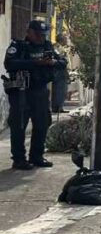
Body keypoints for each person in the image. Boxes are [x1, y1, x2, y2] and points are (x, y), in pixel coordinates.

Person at [4, 20, 67, 170]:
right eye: (38, 34)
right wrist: (34, 63)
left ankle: (37, 156)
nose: (41, 38)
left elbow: (62, 62)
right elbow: (9, 64)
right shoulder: (18, 46)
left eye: (43, 35)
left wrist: (52, 63)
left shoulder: (47, 46)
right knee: (19, 125)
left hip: (40, 91)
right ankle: (19, 159)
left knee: (42, 124)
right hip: (21, 91)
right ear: (29, 32)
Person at [50, 33, 69, 114]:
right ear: (61, 39)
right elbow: (61, 59)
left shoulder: (60, 47)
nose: (67, 40)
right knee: (60, 89)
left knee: (61, 89)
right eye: (65, 38)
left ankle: (59, 107)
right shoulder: (57, 47)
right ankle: (57, 107)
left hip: (61, 71)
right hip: (59, 71)